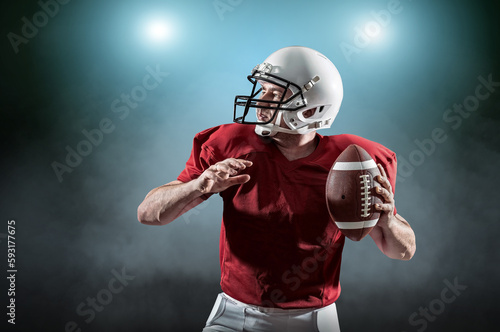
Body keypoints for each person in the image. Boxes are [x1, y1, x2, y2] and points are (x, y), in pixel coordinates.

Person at [137, 46, 416, 332]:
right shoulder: (229, 144)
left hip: (312, 320)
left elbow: (403, 251)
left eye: (274, 94)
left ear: (311, 107)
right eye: (262, 90)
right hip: (233, 314)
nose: (260, 101)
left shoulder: (353, 163)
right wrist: (198, 185)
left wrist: (388, 221)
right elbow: (148, 213)